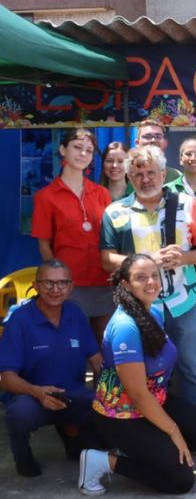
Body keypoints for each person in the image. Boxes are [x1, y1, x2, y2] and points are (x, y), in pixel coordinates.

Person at [99, 145, 196, 450]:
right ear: (129, 177)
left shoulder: (188, 205)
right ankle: (151, 436)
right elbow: (106, 259)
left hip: (181, 302)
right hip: (139, 308)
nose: (145, 179)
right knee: (144, 374)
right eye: (138, 173)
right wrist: (145, 261)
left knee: (191, 369)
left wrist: (184, 258)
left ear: (164, 173)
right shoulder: (115, 212)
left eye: (151, 172)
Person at [77, 254, 196, 496]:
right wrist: (173, 431)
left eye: (155, 275)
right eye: (141, 278)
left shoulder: (152, 311)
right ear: (126, 284)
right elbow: (137, 394)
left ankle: (153, 449)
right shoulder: (125, 327)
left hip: (155, 401)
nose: (151, 282)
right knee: (180, 481)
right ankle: (104, 461)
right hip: (122, 414)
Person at [0, 260, 101, 477]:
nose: (56, 289)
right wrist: (38, 392)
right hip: (33, 397)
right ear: (36, 286)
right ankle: (22, 455)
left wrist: (105, 394)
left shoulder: (75, 313)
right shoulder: (19, 320)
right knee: (19, 415)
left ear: (71, 287)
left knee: (104, 409)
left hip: (71, 395)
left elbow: (96, 359)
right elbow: (7, 378)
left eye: (62, 283)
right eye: (48, 283)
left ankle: (71, 433)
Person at [32, 128, 113, 341]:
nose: (83, 154)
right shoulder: (45, 197)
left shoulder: (102, 194)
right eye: (77, 147)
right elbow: (44, 246)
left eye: (89, 150)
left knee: (106, 345)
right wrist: (58, 281)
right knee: (73, 345)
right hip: (70, 284)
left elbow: (111, 239)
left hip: (104, 280)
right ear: (62, 150)